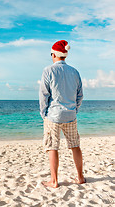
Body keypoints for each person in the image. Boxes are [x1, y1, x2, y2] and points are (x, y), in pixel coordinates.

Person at [39, 40, 85, 188]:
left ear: (54, 54)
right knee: (75, 146)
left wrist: (43, 113)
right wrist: (74, 109)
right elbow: (80, 95)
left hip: (54, 115)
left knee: (52, 147)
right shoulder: (75, 71)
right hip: (70, 115)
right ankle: (80, 177)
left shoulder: (48, 70)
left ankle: (54, 181)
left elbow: (44, 95)